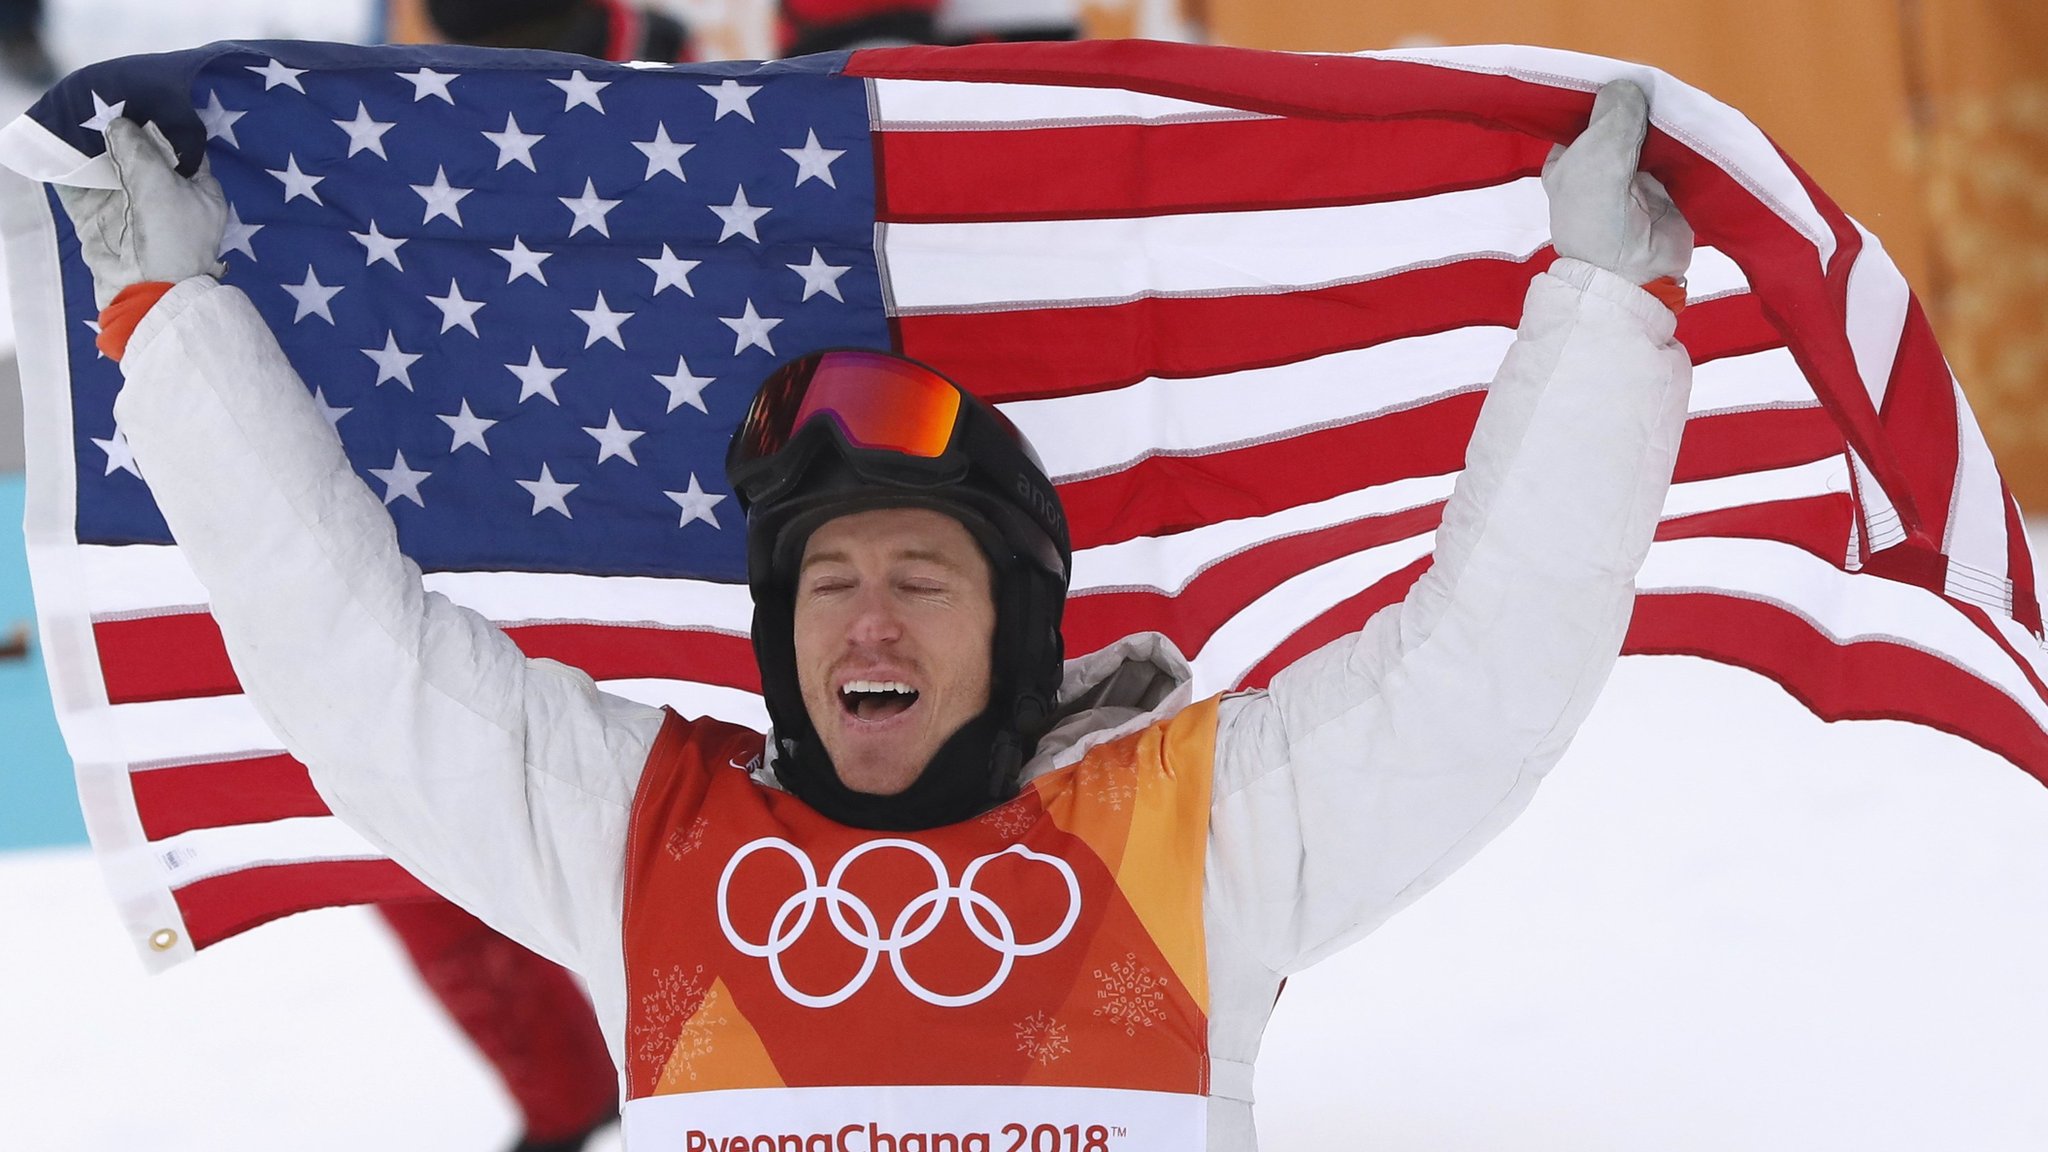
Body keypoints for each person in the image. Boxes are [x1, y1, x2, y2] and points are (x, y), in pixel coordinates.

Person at [66, 78, 1692, 1148]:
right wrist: (172, 328)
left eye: (923, 580)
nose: (867, 626)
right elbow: (352, 662)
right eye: (827, 587)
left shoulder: (1189, 843)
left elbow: (1486, 673)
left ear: (1023, 633)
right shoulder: (650, 850)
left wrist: (1608, 313)